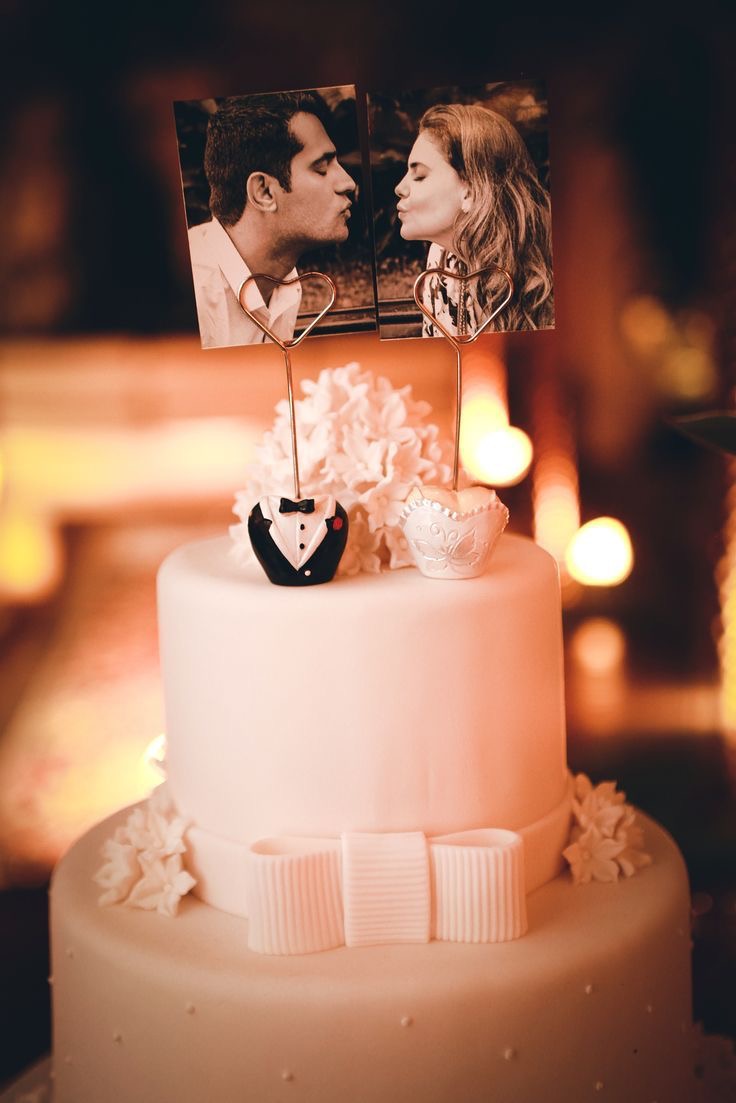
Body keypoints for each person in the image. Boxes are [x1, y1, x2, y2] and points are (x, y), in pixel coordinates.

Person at [187, 92, 355, 348]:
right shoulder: (196, 292)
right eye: (322, 168)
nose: (348, 183)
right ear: (264, 192)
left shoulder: (284, 283)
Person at [394, 102, 554, 335]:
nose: (399, 188)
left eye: (419, 176)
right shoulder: (441, 261)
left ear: (471, 191)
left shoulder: (554, 268)